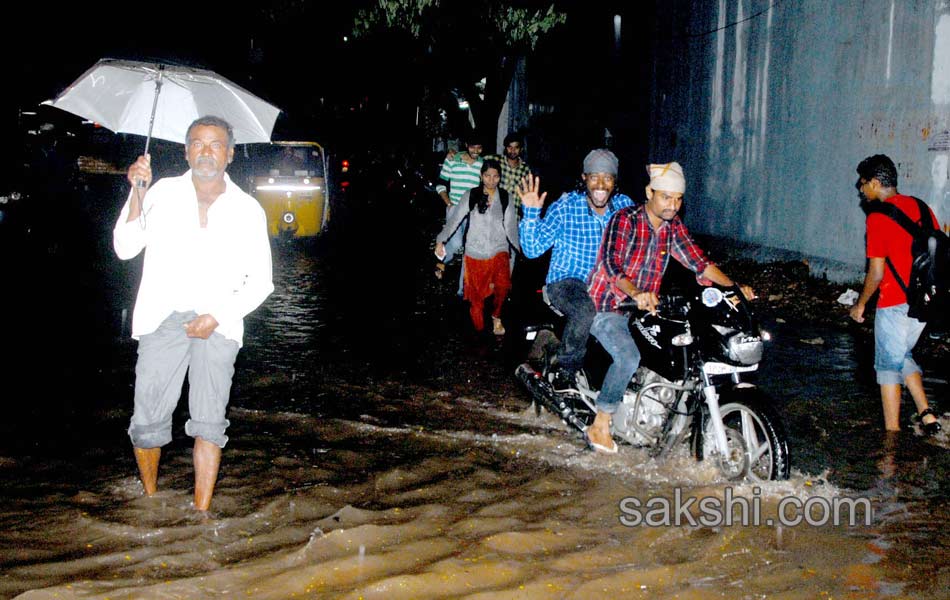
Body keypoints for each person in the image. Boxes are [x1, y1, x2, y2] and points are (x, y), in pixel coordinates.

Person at [113, 115, 274, 510]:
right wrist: (136, 193)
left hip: (218, 322)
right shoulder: (161, 192)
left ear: (230, 154)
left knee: (209, 422)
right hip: (161, 317)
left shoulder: (247, 209)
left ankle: (201, 513)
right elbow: (125, 247)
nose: (206, 151)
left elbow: (261, 281)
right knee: (147, 420)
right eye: (197, 143)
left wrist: (217, 316)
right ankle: (150, 502)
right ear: (186, 151)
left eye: (215, 143)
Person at [585, 162, 754, 453]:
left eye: (677, 199)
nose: (673, 205)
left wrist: (734, 288)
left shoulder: (672, 227)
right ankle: (600, 423)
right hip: (609, 304)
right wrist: (636, 292)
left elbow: (700, 263)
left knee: (681, 350)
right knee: (627, 357)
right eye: (666, 197)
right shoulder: (625, 219)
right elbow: (612, 265)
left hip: (646, 308)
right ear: (649, 192)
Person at [517, 149, 634, 391]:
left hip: (609, 285)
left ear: (615, 181)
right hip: (567, 282)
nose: (601, 184)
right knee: (585, 311)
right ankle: (565, 369)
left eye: (608, 178)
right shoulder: (566, 206)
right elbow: (532, 249)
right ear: (584, 178)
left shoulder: (625, 207)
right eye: (594, 177)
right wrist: (530, 213)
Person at [849, 154, 941, 435]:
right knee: (902, 354)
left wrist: (860, 305)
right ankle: (926, 414)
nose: (861, 190)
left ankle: (892, 438)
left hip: (894, 303)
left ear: (876, 183)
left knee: (888, 367)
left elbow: (876, 273)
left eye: (863, 184)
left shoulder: (878, 217)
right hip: (926, 303)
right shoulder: (923, 208)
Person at [436, 159, 519, 335]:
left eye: (496, 176)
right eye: (487, 176)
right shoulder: (471, 195)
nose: (491, 180)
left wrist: (518, 248)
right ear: (481, 177)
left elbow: (511, 226)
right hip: (475, 252)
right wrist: (440, 239)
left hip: (499, 249)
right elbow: (454, 221)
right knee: (476, 300)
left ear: (499, 178)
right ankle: (479, 335)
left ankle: (497, 316)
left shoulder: (506, 197)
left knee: (503, 287)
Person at [434, 135, 483, 286]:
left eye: (479, 147)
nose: (476, 151)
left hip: (473, 212)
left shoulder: (483, 164)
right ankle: (440, 260)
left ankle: (463, 289)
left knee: (469, 248)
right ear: (467, 145)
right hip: (455, 208)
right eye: (473, 147)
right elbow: (441, 184)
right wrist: (448, 203)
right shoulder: (453, 160)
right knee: (455, 244)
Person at [483, 132, 532, 210]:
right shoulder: (496, 160)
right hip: (494, 210)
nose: (513, 150)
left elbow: (527, 194)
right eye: (510, 147)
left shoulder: (525, 169)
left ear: (521, 149)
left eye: (516, 147)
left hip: (514, 214)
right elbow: (476, 158)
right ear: (505, 148)